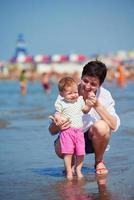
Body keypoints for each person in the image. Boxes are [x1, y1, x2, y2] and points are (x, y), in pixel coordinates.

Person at [49, 60, 120, 176]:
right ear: (81, 77)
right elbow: (51, 131)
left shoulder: (104, 95)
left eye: (93, 84)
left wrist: (97, 105)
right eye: (85, 81)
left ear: (100, 85)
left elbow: (114, 125)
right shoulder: (68, 93)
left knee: (102, 127)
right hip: (69, 138)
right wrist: (57, 125)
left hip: (92, 140)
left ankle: (99, 162)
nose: (87, 87)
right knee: (62, 146)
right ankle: (70, 164)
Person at [51, 77, 94, 180]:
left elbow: (85, 110)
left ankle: (78, 170)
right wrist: (56, 119)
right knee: (68, 153)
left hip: (79, 132)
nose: (73, 95)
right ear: (62, 94)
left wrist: (89, 105)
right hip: (67, 132)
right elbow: (57, 114)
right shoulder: (61, 103)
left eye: (75, 92)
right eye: (69, 93)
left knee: (80, 153)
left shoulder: (79, 100)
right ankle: (69, 171)